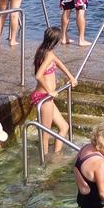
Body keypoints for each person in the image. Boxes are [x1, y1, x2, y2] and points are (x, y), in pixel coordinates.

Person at [31, 27, 78, 161]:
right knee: (46, 132)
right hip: (44, 98)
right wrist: (49, 91)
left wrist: (71, 77)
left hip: (47, 98)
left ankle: (56, 156)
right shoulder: (47, 54)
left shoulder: (45, 51)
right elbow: (38, 75)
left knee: (64, 126)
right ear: (55, 41)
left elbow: (60, 64)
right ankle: (44, 160)